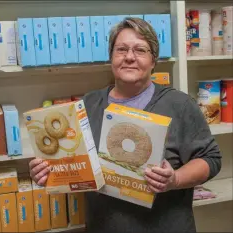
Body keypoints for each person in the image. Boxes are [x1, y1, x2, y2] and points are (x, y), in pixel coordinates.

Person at [29, 17, 221, 233]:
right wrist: (49, 172)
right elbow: (76, 167)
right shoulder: (89, 104)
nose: (129, 57)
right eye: (121, 49)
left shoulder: (179, 105)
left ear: (153, 60)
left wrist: (175, 179)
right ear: (111, 57)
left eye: (140, 50)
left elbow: (211, 159)